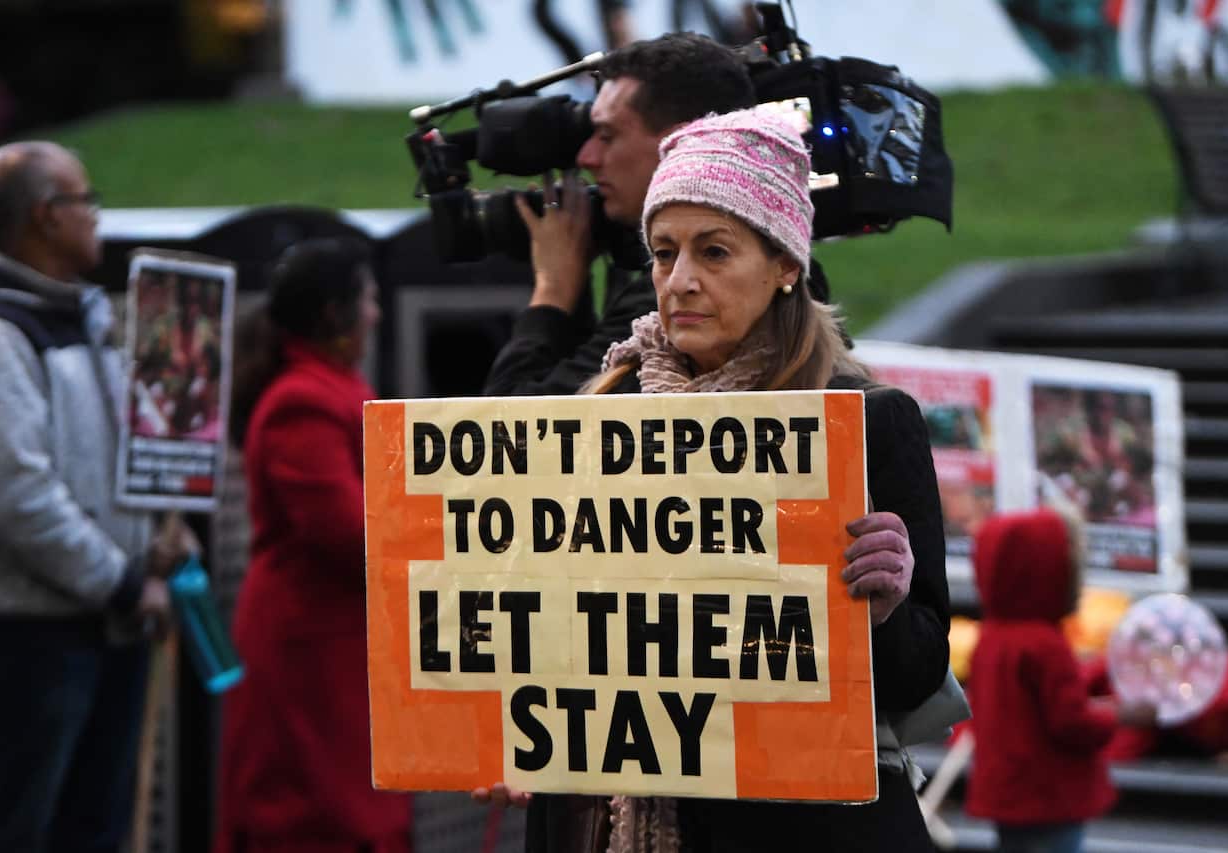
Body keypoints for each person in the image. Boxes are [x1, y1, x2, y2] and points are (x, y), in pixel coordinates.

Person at [478, 109, 952, 852]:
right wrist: (500, 722)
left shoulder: (865, 424)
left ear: (785, 264)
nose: (681, 280)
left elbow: (920, 674)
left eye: (715, 251)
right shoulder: (595, 419)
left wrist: (885, 609)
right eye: (663, 253)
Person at [0, 140, 194, 853]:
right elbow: (17, 492)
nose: (97, 216)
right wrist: (122, 580)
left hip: (100, 616)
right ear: (45, 217)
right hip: (29, 630)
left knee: (90, 828)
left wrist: (154, 540)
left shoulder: (79, 317)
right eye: (85, 200)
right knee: (20, 828)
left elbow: (107, 457)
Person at [215, 237, 412, 853]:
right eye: (369, 299)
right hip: (309, 649)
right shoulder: (300, 401)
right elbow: (352, 535)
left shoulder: (327, 385)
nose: (376, 314)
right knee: (312, 814)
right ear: (336, 313)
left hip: (339, 641)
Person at [483, 31, 756, 396]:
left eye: (607, 136)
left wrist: (554, 289)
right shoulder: (765, 270)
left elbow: (512, 433)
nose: (586, 158)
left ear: (677, 145)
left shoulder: (677, 301)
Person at [966, 508, 1155, 853]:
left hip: (1009, 792)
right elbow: (1071, 721)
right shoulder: (1046, 644)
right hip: (1049, 794)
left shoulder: (992, 636)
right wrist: (1121, 714)